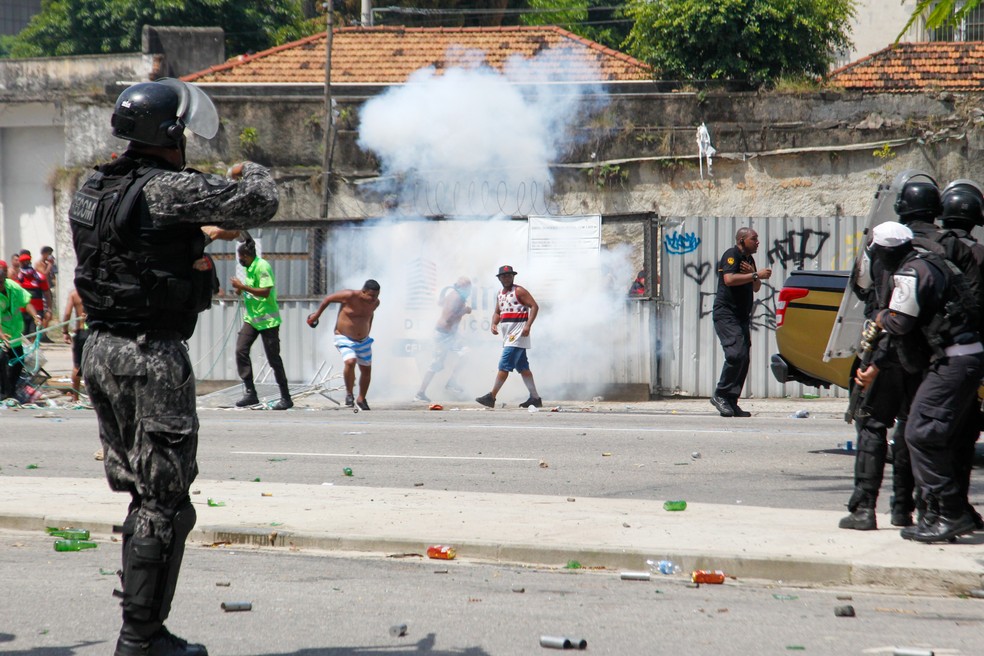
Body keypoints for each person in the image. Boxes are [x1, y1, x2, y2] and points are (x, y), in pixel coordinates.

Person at [69, 78, 279, 656]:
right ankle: (141, 638)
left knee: (143, 493)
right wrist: (250, 169)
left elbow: (132, 248)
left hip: (101, 349)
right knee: (165, 501)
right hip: (148, 354)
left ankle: (144, 630)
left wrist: (197, 238)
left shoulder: (93, 187)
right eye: (180, 130)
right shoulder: (167, 188)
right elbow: (259, 203)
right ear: (167, 134)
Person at [865, 222, 983, 543]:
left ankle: (949, 512)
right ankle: (948, 511)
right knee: (938, 434)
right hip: (963, 356)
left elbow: (899, 321)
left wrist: (879, 317)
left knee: (920, 433)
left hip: (954, 358)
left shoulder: (910, 273)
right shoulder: (929, 261)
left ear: (885, 253)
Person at [710, 228, 772, 417]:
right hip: (726, 314)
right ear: (742, 240)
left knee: (744, 357)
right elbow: (728, 279)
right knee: (735, 354)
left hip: (741, 316)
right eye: (754, 239)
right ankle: (720, 395)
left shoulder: (749, 260)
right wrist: (756, 275)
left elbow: (756, 287)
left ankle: (731, 400)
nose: (757, 242)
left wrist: (754, 274)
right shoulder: (732, 255)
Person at [230, 237, 293, 410]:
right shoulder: (250, 268)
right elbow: (246, 291)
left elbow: (265, 292)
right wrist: (239, 289)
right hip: (252, 319)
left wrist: (243, 287)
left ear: (246, 255)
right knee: (240, 350)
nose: (240, 261)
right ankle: (251, 393)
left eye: (240, 257)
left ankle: (286, 397)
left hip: (268, 321)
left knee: (273, 359)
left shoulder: (262, 266)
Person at [306, 280, 381, 410]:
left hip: (364, 341)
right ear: (363, 292)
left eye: (376, 296)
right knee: (350, 361)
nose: (374, 299)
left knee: (366, 370)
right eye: (371, 295)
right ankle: (349, 394)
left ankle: (362, 398)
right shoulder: (349, 296)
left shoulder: (375, 303)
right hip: (344, 337)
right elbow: (328, 299)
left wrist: (368, 330)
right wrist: (316, 316)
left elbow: (370, 315)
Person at [476, 265, 542, 409]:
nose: (506, 278)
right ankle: (535, 398)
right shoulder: (500, 293)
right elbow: (497, 311)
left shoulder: (519, 291)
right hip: (508, 336)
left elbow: (534, 306)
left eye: (509, 276)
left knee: (504, 365)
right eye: (504, 276)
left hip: (517, 335)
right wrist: (494, 323)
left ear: (513, 277)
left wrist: (528, 325)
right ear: (499, 278)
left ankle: (491, 396)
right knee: (523, 367)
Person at [415, 276, 472, 402]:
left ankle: (451, 382)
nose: (469, 289)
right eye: (467, 287)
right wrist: (464, 311)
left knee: (466, 353)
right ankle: (420, 393)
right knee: (436, 364)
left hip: (451, 334)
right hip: (443, 335)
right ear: (461, 287)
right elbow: (449, 318)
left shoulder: (455, 295)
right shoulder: (457, 297)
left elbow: (441, 304)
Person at [0, 260, 42, 401]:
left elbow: (26, 302)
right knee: (2, 364)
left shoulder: (13, 287)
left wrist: (35, 316)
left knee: (18, 363)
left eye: (1, 282)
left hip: (14, 335)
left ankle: (11, 393)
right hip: (1, 337)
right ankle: (3, 392)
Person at [15, 252, 52, 342]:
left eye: (27, 261)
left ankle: (34, 351)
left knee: (34, 332)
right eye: (23, 262)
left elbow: (47, 293)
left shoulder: (39, 277)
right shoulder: (18, 278)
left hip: (37, 311)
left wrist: (49, 309)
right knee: (23, 334)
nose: (25, 263)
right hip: (21, 311)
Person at [61, 288, 88, 403]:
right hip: (94, 332)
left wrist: (65, 332)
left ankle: (75, 397)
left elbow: (67, 314)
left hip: (81, 332)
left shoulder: (74, 294)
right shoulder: (94, 292)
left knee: (77, 366)